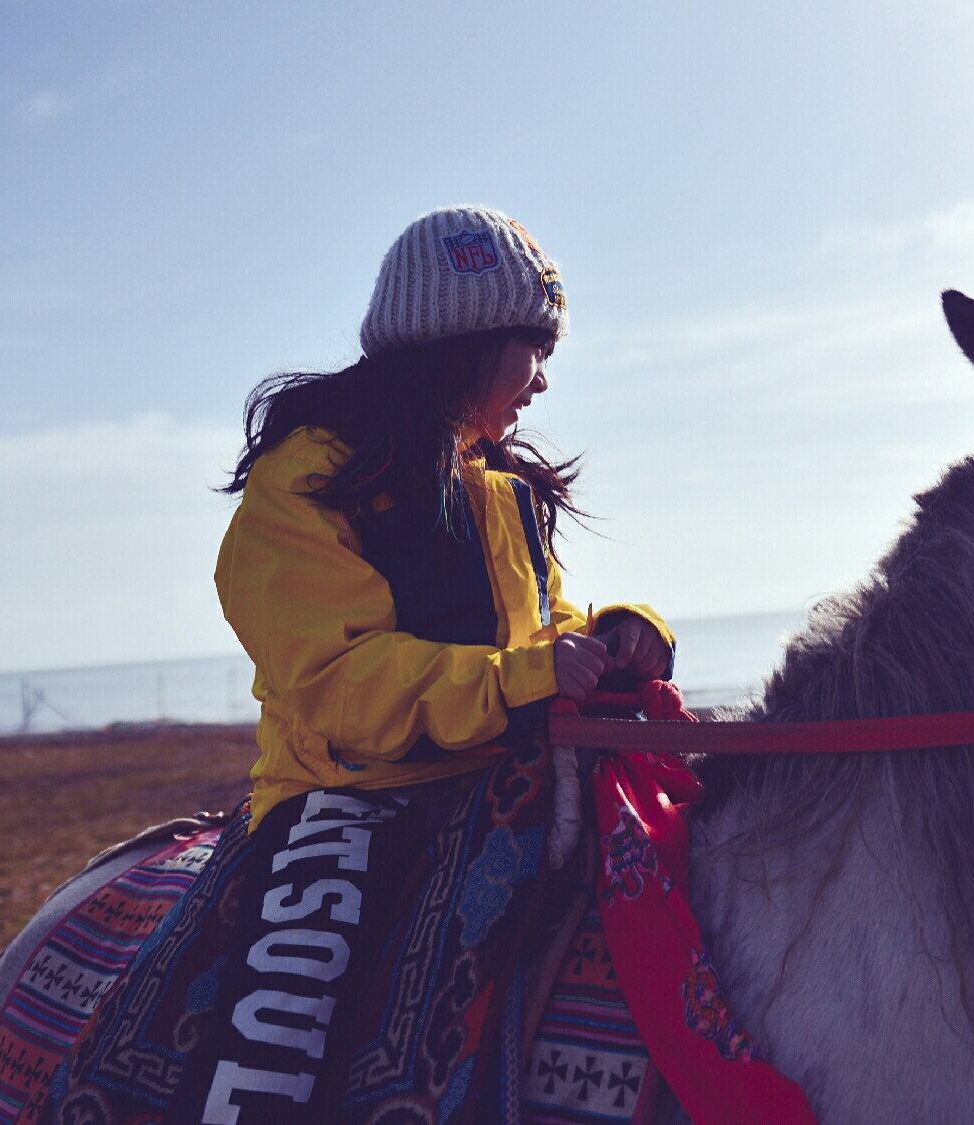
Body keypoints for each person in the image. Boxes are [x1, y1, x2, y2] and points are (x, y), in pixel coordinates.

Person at [185, 205, 671, 1125]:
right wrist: (520, 682)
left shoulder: (500, 490)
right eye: (532, 344)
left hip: (500, 765)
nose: (543, 376)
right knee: (278, 1042)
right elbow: (339, 681)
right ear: (464, 341)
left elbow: (541, 626)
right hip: (347, 793)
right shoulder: (306, 484)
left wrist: (613, 634)